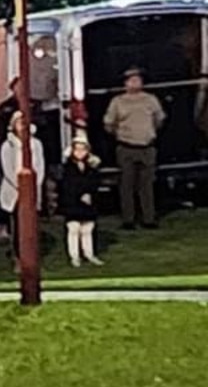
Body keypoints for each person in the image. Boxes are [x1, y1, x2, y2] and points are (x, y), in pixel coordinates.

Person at [104, 67, 165, 230]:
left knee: (147, 185)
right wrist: (121, 134)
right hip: (126, 147)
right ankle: (128, 219)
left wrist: (149, 133)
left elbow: (159, 120)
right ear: (125, 83)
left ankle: (149, 218)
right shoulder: (118, 101)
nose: (136, 82)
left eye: (138, 79)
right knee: (126, 185)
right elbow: (109, 124)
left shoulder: (151, 100)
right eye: (132, 80)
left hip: (147, 147)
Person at [59, 135, 104, 267]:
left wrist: (89, 194)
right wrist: (80, 195)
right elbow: (67, 185)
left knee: (87, 229)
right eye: (77, 149)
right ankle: (74, 256)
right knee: (74, 229)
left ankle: (89, 254)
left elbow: (95, 182)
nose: (80, 153)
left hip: (88, 204)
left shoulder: (91, 167)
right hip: (72, 203)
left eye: (83, 149)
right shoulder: (67, 168)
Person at [0, 111, 45, 238]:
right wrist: (20, 185)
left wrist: (36, 184)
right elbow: (7, 169)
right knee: (16, 222)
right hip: (15, 188)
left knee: (31, 220)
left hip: (32, 187)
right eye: (18, 123)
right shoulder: (7, 146)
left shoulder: (36, 144)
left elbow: (40, 165)